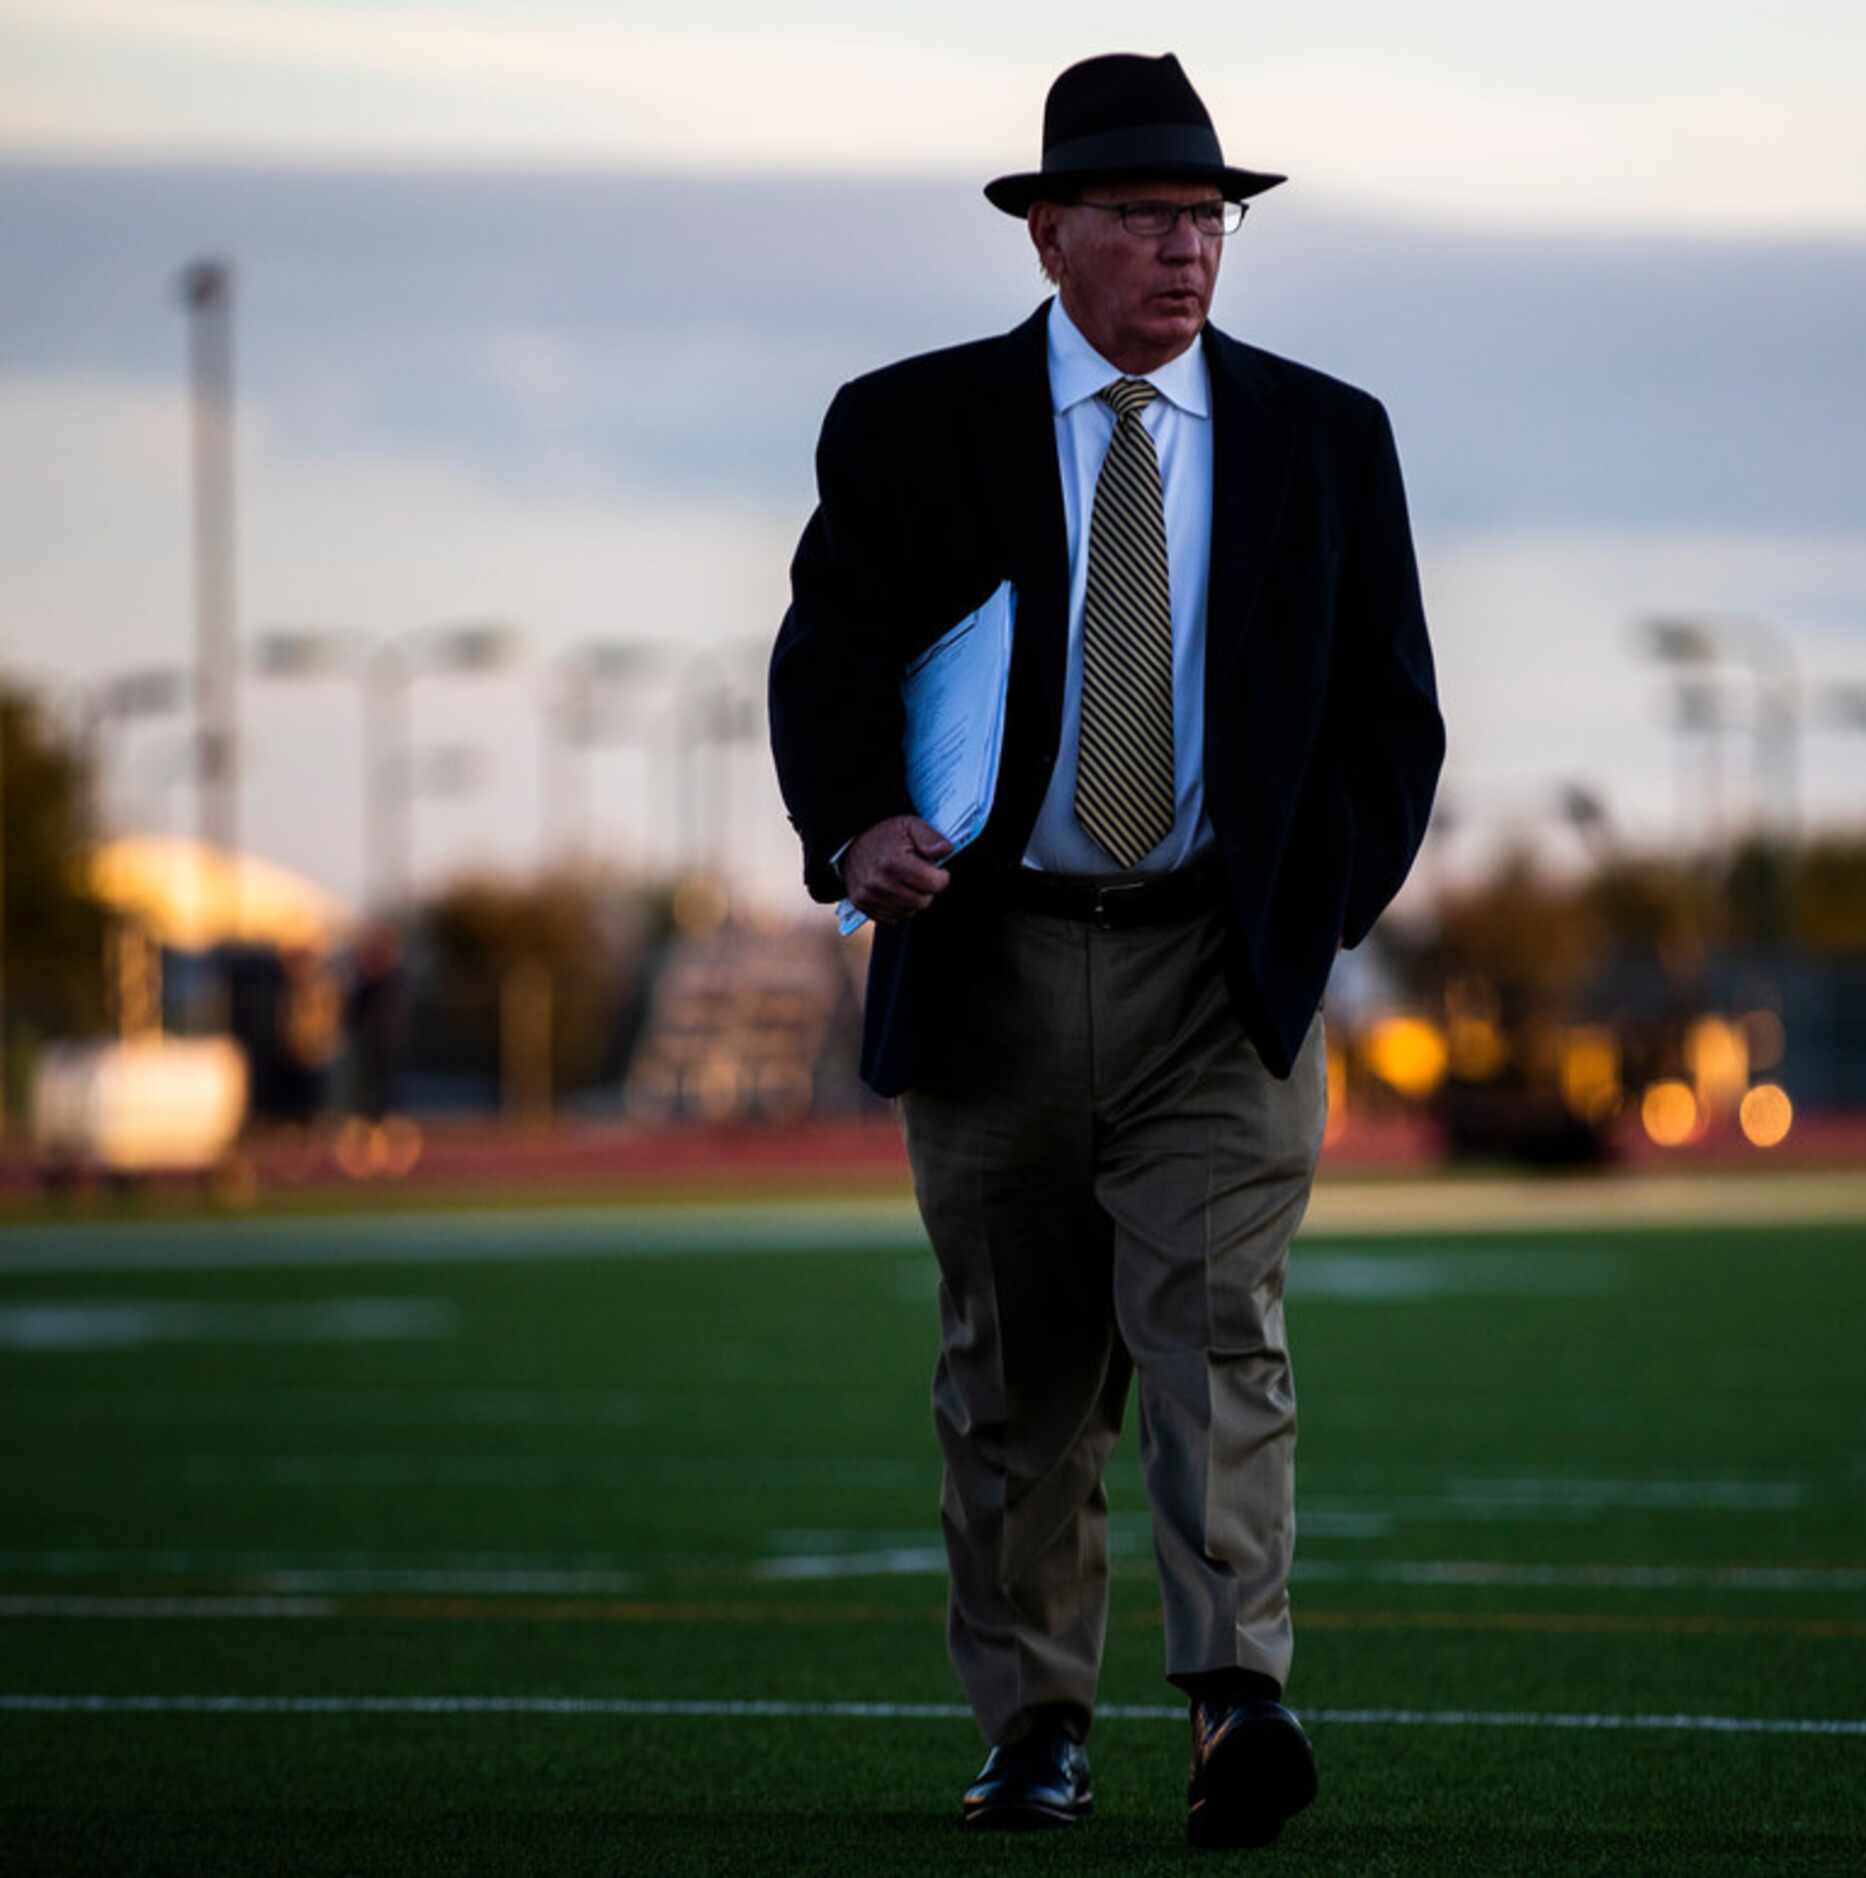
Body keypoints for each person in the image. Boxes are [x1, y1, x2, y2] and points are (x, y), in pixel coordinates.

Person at [766, 51, 1444, 1849]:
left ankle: (1235, 1701)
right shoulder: (911, 426)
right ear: (1048, 229)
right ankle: (1034, 1726)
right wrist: (854, 830)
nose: (1183, 248)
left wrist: (1311, 911)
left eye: (1206, 216)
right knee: (1016, 1372)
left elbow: (1394, 721)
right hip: (986, 967)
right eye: (1143, 215)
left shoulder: (1323, 436)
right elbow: (828, 658)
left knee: (1222, 1335)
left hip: (1215, 973)